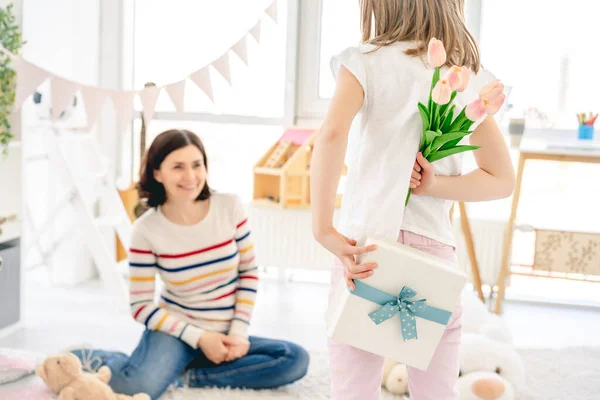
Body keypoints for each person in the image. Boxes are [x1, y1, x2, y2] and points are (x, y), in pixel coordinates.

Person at [310, 1, 515, 399]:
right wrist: (433, 186)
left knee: (352, 387)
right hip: (432, 252)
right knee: (436, 390)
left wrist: (322, 229)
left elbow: (331, 136)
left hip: (365, 248)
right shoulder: (466, 78)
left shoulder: (364, 61)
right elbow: (501, 180)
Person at [72, 129, 309, 400]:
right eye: (178, 167)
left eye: (197, 165)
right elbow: (140, 306)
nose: (191, 176)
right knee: (135, 388)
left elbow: (249, 272)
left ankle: (187, 374)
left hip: (225, 332)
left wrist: (239, 333)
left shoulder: (229, 207)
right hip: (176, 331)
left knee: (294, 359)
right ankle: (95, 357)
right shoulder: (146, 230)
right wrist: (199, 338)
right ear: (158, 173)